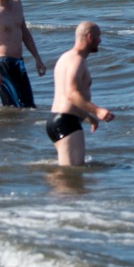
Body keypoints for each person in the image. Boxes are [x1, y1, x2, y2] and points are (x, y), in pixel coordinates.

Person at [47, 21, 114, 166]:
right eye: (98, 37)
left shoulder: (65, 57)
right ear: (90, 37)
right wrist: (97, 110)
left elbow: (65, 96)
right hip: (66, 122)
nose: (100, 41)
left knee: (67, 174)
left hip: (57, 120)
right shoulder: (77, 61)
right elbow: (71, 93)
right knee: (71, 175)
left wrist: (87, 117)